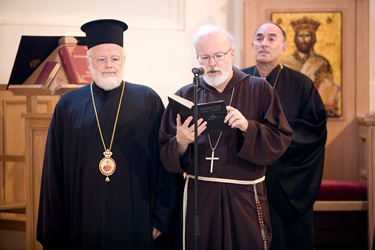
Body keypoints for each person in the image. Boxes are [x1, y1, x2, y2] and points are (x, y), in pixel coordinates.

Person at [37, 19, 178, 250]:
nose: (108, 65)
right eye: (101, 59)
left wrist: (161, 217)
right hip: (82, 220)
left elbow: (164, 163)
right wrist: (55, 225)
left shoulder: (148, 100)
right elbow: (54, 170)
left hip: (136, 217)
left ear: (124, 60)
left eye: (114, 59)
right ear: (89, 62)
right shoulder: (68, 105)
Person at [159, 24, 293, 250]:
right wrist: (180, 142)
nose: (212, 63)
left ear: (231, 54)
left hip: (244, 196)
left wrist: (248, 127)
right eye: (205, 57)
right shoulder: (186, 94)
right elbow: (165, 150)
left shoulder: (259, 89)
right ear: (198, 59)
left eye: (218, 55)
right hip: (199, 197)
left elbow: (280, 138)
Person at [243, 21, 327, 250]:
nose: (264, 43)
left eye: (271, 38)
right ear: (252, 45)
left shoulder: (302, 85)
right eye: (259, 38)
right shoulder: (237, 81)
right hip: (245, 177)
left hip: (286, 180)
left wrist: (265, 139)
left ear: (283, 47)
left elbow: (313, 131)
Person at [282, 16, 341, 116]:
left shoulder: (322, 63)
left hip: (314, 112)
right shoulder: (287, 63)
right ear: (295, 38)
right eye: (300, 36)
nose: (304, 40)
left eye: (307, 35)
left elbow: (328, 89)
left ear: (313, 38)